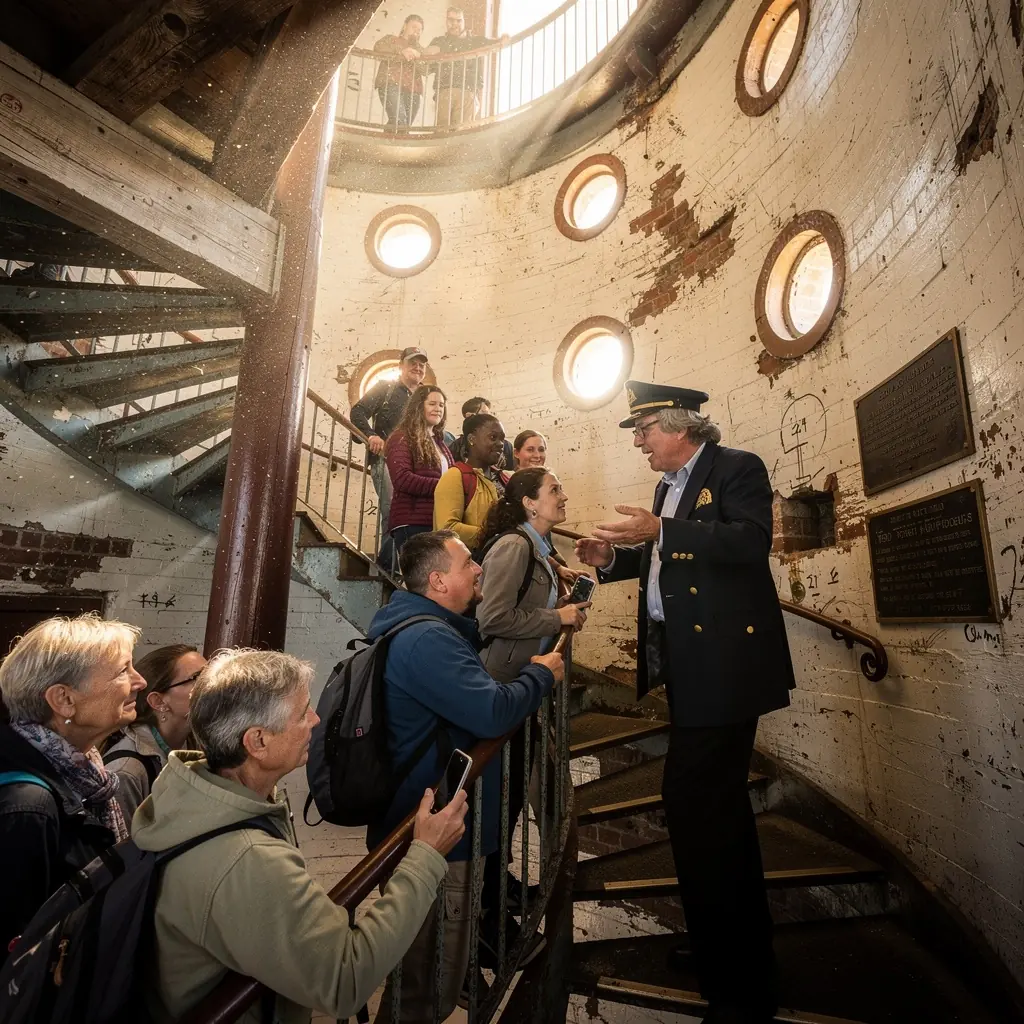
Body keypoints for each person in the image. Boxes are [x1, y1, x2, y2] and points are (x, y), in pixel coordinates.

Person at [575, 381, 795, 1024]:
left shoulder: (738, 469)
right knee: (709, 810)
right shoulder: (666, 490)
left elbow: (749, 545)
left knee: (700, 805)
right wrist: (613, 559)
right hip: (692, 671)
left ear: (680, 428)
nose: (639, 442)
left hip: (729, 669)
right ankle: (721, 954)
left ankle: (744, 978)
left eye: (644, 430)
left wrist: (663, 528)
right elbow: (667, 561)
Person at [134, 648, 468, 1024]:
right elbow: (345, 981)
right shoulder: (247, 860)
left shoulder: (197, 795)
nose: (315, 720)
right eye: (302, 713)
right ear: (257, 742)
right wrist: (425, 854)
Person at [366, 530, 563, 1022]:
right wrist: (540, 674)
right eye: (468, 562)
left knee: (429, 973)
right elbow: (493, 712)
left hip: (437, 827)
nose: (479, 569)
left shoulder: (433, 630)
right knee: (427, 983)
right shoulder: (427, 640)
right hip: (439, 841)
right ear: (437, 581)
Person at [475, 468, 589, 928]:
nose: (563, 496)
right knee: (502, 793)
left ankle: (497, 886)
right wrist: (555, 618)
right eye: (554, 490)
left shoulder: (540, 549)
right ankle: (486, 903)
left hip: (524, 686)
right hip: (503, 685)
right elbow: (493, 617)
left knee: (514, 793)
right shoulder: (512, 546)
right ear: (528, 503)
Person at [0, 613, 146, 961]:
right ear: (63, 699)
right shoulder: (26, 806)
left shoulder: (84, 772)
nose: (139, 681)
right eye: (123, 671)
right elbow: (19, 957)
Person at [103, 644, 207, 821]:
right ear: (158, 701)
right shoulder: (126, 771)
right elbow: (121, 846)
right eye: (198, 678)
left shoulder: (197, 743)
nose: (214, 684)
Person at [350, 346, 430, 539]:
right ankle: (388, 567)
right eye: (413, 363)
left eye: (422, 364)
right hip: (387, 459)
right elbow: (358, 411)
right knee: (392, 510)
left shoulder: (426, 395)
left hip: (419, 462)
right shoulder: (385, 387)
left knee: (419, 515)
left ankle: (408, 565)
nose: (418, 368)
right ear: (401, 365)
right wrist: (371, 435)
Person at [385, 384, 454, 560]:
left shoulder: (440, 443)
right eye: (432, 404)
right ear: (418, 406)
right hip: (413, 522)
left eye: (441, 405)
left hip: (436, 520)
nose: (438, 409)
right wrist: (445, 487)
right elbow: (402, 479)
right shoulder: (401, 437)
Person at [433, 412, 508, 551]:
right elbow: (447, 528)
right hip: (474, 564)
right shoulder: (455, 476)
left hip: (508, 559)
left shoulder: (504, 478)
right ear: (472, 439)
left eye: (502, 439)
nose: (500, 444)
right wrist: (497, 538)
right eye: (493, 437)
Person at [373, 15, 427, 127]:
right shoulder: (391, 39)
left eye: (420, 29)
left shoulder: (420, 49)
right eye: (414, 27)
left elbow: (426, 70)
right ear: (405, 26)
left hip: (413, 91)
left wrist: (418, 57)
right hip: (390, 84)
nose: (417, 31)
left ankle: (387, 143)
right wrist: (401, 52)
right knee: (400, 122)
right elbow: (378, 49)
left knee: (403, 126)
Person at [449, 396, 515, 473]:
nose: (489, 418)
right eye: (484, 414)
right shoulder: (456, 447)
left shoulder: (506, 446)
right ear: (469, 416)